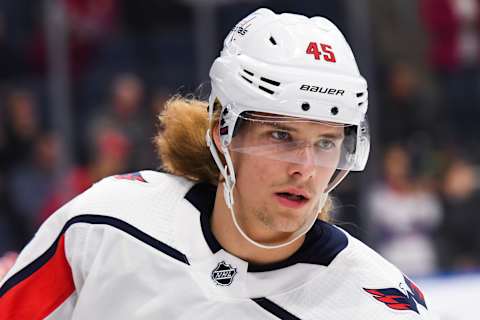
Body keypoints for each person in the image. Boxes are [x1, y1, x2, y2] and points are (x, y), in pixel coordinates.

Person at [0, 8, 434, 319]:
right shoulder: (106, 223)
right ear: (221, 135)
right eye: (280, 136)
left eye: (325, 142)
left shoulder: (376, 306)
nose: (305, 167)